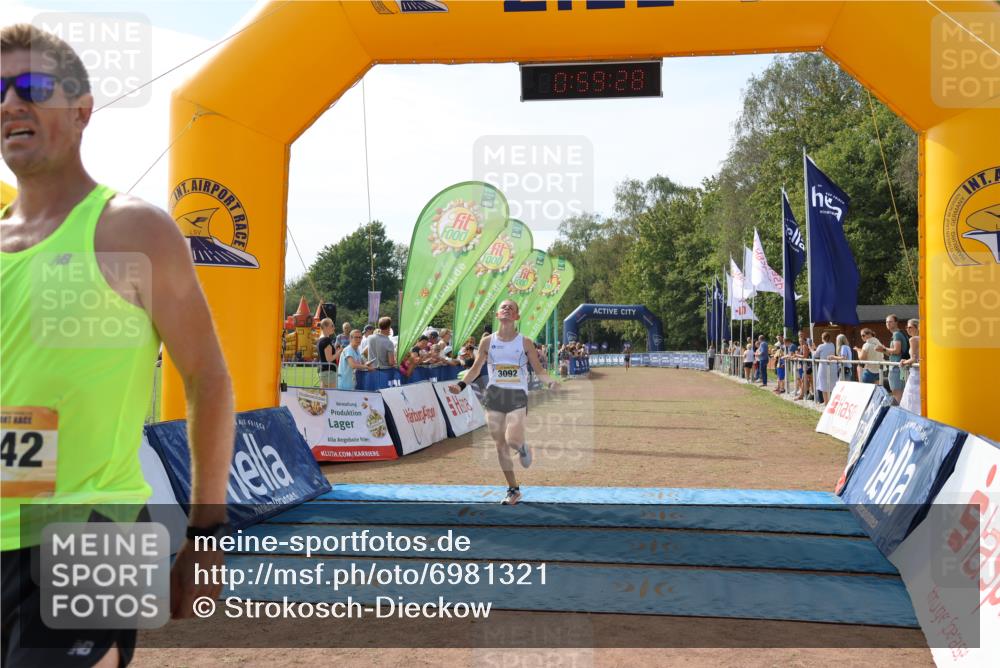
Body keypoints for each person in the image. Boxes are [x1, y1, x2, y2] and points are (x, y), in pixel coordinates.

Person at [1, 24, 232, 667]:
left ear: (81, 110)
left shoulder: (130, 230)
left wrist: (207, 533)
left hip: (95, 534)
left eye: (33, 86)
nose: (11, 103)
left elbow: (208, 378)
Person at [448, 300, 558, 506]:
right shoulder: (487, 342)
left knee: (512, 440)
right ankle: (513, 489)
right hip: (495, 395)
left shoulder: (525, 342)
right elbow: (475, 368)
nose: (506, 309)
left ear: (516, 317)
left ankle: (522, 447)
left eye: (511, 308)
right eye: (503, 307)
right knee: (500, 445)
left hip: (517, 394)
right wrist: (461, 385)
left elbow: (538, 369)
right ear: (497, 315)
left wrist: (551, 383)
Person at [876, 314, 909, 404]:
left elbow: (897, 351)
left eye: (890, 322)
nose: (888, 324)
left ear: (896, 322)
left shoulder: (897, 335)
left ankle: (899, 414)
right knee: (900, 392)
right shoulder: (900, 333)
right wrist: (883, 350)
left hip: (896, 368)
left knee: (897, 392)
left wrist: (884, 349)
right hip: (900, 367)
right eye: (886, 322)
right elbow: (894, 352)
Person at [899, 319, 921, 414]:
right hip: (922, 371)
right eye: (906, 327)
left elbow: (913, 359)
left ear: (917, 328)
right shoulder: (925, 339)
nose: (908, 329)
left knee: (911, 398)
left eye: (910, 327)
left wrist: (904, 362)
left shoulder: (913, 339)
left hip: (915, 373)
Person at [812, 332, 837, 404]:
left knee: (823, 384)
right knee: (831, 384)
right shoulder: (832, 345)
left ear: (822, 338)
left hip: (823, 367)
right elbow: (823, 351)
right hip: (832, 366)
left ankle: (826, 402)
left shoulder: (821, 346)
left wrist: (812, 349)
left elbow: (816, 355)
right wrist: (816, 348)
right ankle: (830, 401)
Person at [316, 318, 338, 388]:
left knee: (323, 396)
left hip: (322, 371)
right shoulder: (326, 340)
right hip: (329, 372)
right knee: (332, 396)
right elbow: (329, 359)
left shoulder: (320, 339)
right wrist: (338, 352)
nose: (334, 328)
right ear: (325, 327)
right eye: (332, 326)